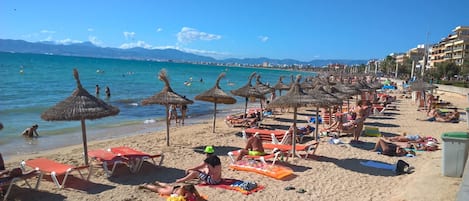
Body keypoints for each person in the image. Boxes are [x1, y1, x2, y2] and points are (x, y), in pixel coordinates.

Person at [139, 183, 206, 201]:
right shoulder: (184, 192)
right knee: (159, 190)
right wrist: (183, 197)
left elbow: (198, 196)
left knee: (167, 186)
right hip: (174, 191)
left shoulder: (192, 191)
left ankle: (158, 182)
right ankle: (146, 185)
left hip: (176, 189)